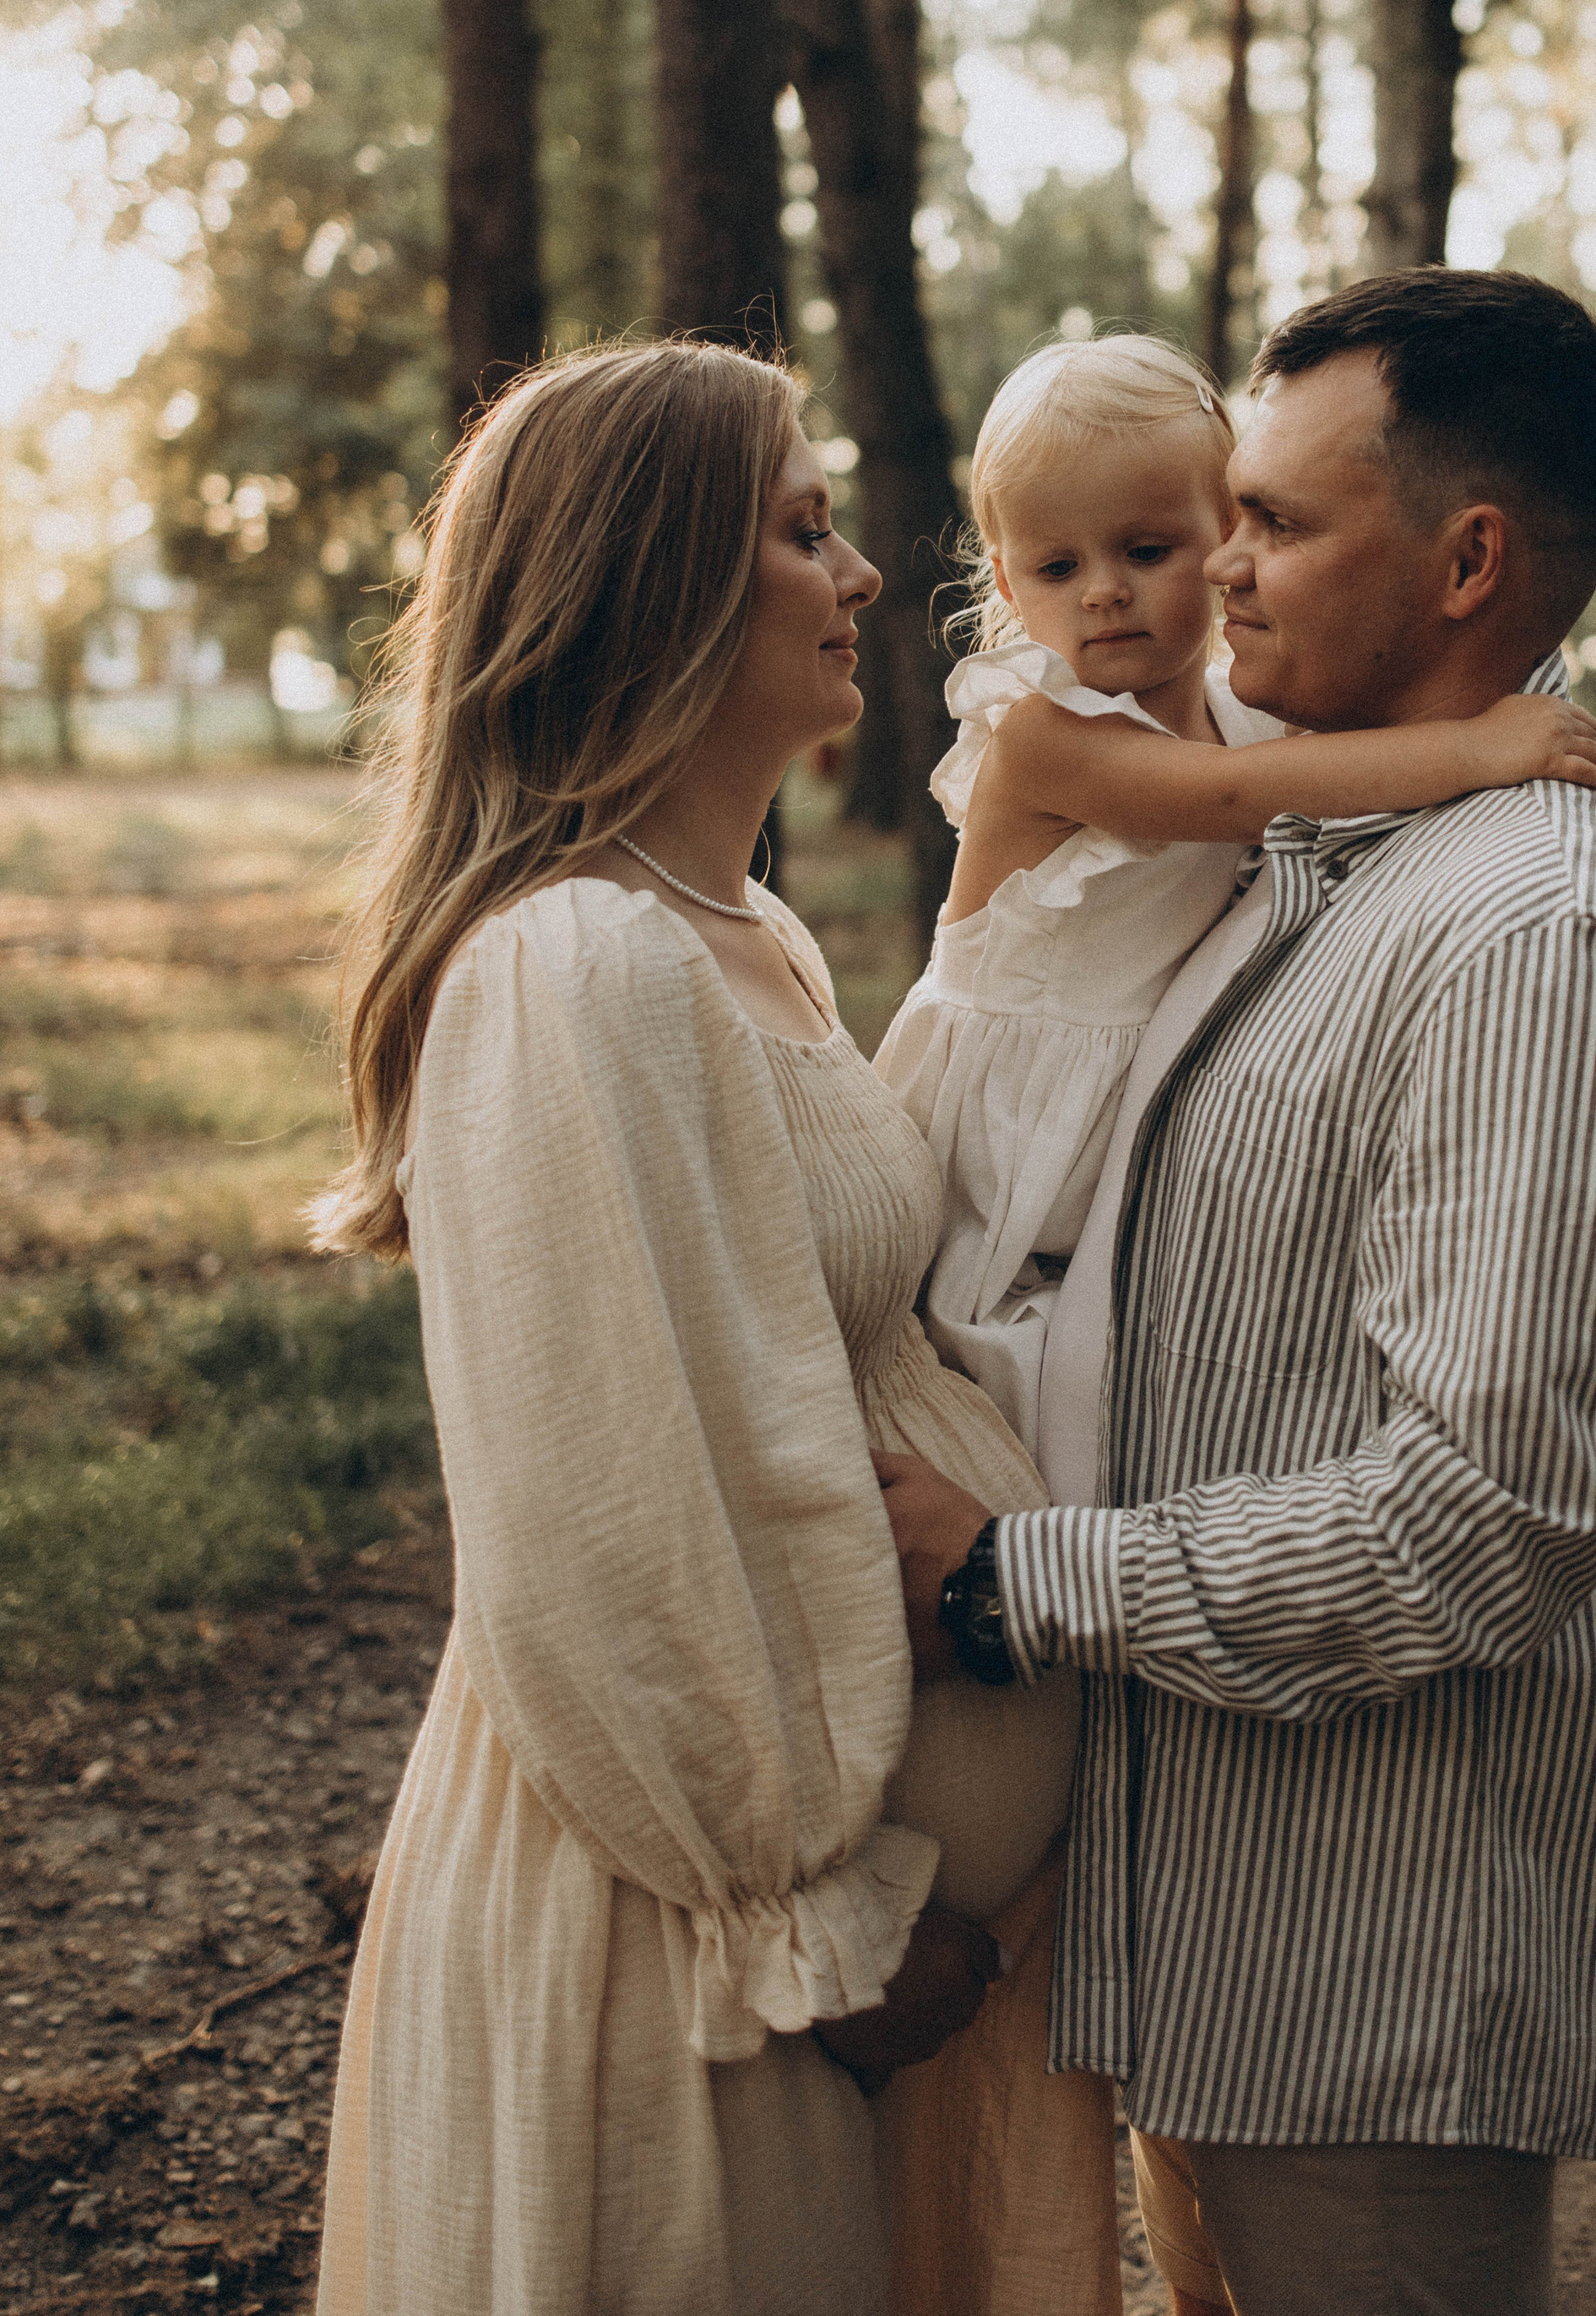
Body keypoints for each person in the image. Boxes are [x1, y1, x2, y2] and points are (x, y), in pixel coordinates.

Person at [875, 271, 1596, 2316]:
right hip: (1221, 1917)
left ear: (1464, 560)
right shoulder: (1387, 826)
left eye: (1263, 523)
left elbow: (1479, 1524)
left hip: (1372, 1975)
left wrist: (1018, 1580)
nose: (1213, 577)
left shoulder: (1534, 931)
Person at [309, 341, 1117, 2316]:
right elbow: (605, 1512)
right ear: (649, 580)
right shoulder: (572, 963)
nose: (859, 584)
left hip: (791, 1955)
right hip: (678, 1955)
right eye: (805, 532)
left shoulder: (736, 931)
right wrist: (815, 1916)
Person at [877, 331, 1596, 1475]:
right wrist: (1488, 749)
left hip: (1100, 1099)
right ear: (1004, 581)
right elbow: (1244, 797)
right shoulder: (1042, 736)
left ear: (1217, 535)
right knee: (1004, 1386)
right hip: (1011, 1115)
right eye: (1053, 568)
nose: (1102, 593)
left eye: (1147, 549)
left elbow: (1350, 767)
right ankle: (1021, 1581)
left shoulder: (1246, 709)